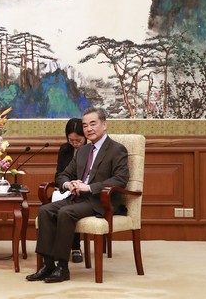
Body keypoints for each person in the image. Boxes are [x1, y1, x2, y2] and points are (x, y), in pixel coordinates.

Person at [26, 107, 129, 283]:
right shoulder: (83, 151)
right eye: (85, 125)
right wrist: (68, 183)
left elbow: (121, 179)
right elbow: (63, 175)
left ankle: (63, 267)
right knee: (45, 210)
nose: (88, 128)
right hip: (77, 197)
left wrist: (89, 187)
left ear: (104, 124)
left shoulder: (116, 149)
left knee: (65, 213)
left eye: (93, 124)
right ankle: (48, 264)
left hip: (99, 200)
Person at [52, 118, 87, 263]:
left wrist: (79, 185)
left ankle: (75, 247)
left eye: (78, 140)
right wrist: (65, 184)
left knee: (70, 207)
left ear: (85, 136)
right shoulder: (65, 149)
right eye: (71, 140)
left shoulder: (91, 150)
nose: (75, 144)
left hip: (84, 189)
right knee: (48, 208)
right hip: (66, 188)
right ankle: (55, 248)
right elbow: (59, 173)